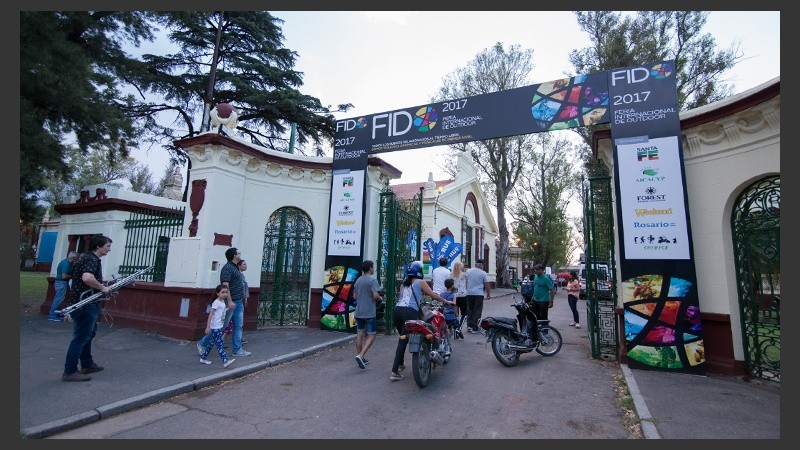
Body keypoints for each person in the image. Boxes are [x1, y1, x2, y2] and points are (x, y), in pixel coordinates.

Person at [61, 235, 112, 382]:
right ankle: (69, 371)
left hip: (87, 302)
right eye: (107, 246)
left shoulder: (90, 258)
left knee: (88, 333)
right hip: (84, 303)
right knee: (81, 336)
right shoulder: (90, 259)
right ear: (98, 246)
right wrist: (103, 288)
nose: (109, 249)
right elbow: (87, 278)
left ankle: (87, 364)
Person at [390, 261, 447, 381]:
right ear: (419, 272)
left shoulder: (403, 284)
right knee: (407, 338)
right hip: (409, 312)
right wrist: (446, 301)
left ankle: (400, 365)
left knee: (403, 339)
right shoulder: (420, 282)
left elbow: (401, 298)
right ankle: (394, 372)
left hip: (397, 312)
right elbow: (433, 295)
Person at [197, 248, 250, 357]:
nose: (240, 254)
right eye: (238, 252)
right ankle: (202, 343)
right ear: (234, 256)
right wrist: (229, 301)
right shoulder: (227, 268)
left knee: (238, 325)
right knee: (221, 326)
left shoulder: (235, 268)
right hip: (230, 302)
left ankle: (237, 349)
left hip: (238, 301)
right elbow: (225, 285)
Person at [353, 260, 382, 369]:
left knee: (359, 334)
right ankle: (361, 355)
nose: (373, 269)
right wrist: (380, 298)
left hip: (359, 311)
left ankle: (360, 356)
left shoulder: (358, 280)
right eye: (373, 267)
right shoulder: (373, 280)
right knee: (371, 335)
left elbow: (354, 296)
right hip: (369, 312)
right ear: (370, 268)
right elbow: (375, 296)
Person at [200, 284, 236, 368]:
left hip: (219, 326)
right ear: (217, 293)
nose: (225, 294)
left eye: (226, 292)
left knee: (211, 343)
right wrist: (208, 326)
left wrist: (228, 309)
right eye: (223, 292)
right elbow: (211, 314)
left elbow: (221, 311)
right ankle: (225, 361)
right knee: (219, 344)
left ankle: (203, 357)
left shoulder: (222, 302)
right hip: (215, 327)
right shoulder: (216, 303)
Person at [48, 251, 78, 321]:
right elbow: (64, 276)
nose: (75, 261)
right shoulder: (66, 264)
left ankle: (55, 314)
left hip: (59, 282)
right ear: (73, 258)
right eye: (75, 259)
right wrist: (72, 275)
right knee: (58, 299)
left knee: (58, 298)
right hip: (62, 282)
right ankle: (52, 314)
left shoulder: (64, 262)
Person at [465, 259, 490, 334]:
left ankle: (469, 325)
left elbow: (465, 281)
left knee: (470, 309)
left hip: (469, 293)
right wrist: (488, 294)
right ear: (482, 264)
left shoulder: (468, 271)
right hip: (479, 294)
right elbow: (487, 285)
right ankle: (474, 327)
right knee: (477, 310)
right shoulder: (483, 273)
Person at [449, 261, 468, 335]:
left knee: (456, 314)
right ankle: (459, 328)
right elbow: (466, 284)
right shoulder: (464, 275)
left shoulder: (450, 275)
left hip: (454, 296)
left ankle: (456, 330)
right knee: (464, 314)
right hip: (463, 295)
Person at [237, 259, 250, 345]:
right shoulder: (239, 275)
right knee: (235, 322)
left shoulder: (241, 275)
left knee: (238, 322)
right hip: (237, 300)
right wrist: (244, 298)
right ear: (239, 265)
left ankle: (238, 338)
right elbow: (242, 287)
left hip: (240, 299)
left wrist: (245, 298)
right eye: (244, 264)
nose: (246, 266)